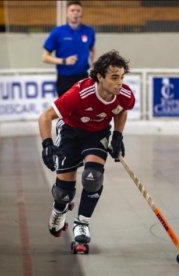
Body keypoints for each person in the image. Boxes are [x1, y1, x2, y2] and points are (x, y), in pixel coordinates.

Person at [38, 50, 135, 245]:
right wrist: (47, 145)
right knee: (63, 194)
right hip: (71, 133)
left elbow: (121, 110)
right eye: (114, 77)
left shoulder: (124, 94)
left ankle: (82, 223)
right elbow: (45, 116)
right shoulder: (80, 93)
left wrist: (117, 135)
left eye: (122, 77)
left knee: (93, 178)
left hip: (96, 134)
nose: (120, 83)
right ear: (100, 77)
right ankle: (59, 211)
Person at [42, 1, 96, 97]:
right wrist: (64, 61)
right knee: (66, 110)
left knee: (84, 110)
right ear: (67, 14)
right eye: (72, 10)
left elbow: (92, 49)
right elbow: (45, 57)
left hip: (83, 77)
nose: (75, 13)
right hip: (65, 78)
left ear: (82, 13)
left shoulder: (89, 31)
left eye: (78, 10)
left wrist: (94, 63)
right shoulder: (58, 32)